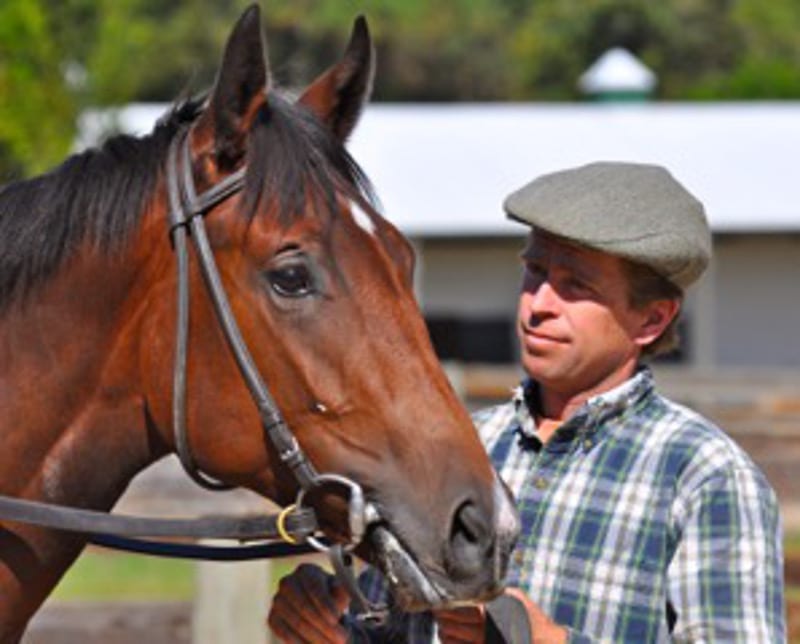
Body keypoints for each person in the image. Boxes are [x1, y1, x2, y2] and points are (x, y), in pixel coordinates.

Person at [268, 162, 786, 643]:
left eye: (575, 286)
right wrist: (330, 631)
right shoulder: (457, 445)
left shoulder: (704, 474)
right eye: (535, 272)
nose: (538, 305)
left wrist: (550, 642)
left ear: (652, 320)